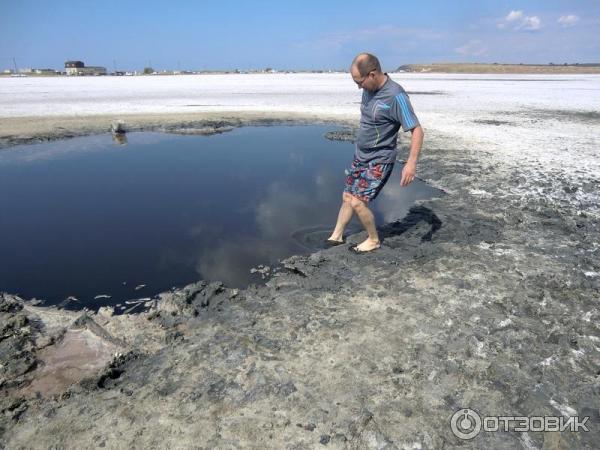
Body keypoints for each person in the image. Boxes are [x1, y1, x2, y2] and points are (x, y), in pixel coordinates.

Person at [327, 52, 424, 253]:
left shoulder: (396, 96)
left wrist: (411, 163)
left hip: (379, 160)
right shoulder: (368, 90)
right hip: (360, 156)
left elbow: (417, 130)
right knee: (347, 196)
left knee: (358, 202)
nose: (358, 87)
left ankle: (373, 240)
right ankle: (336, 236)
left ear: (372, 75)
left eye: (359, 82)